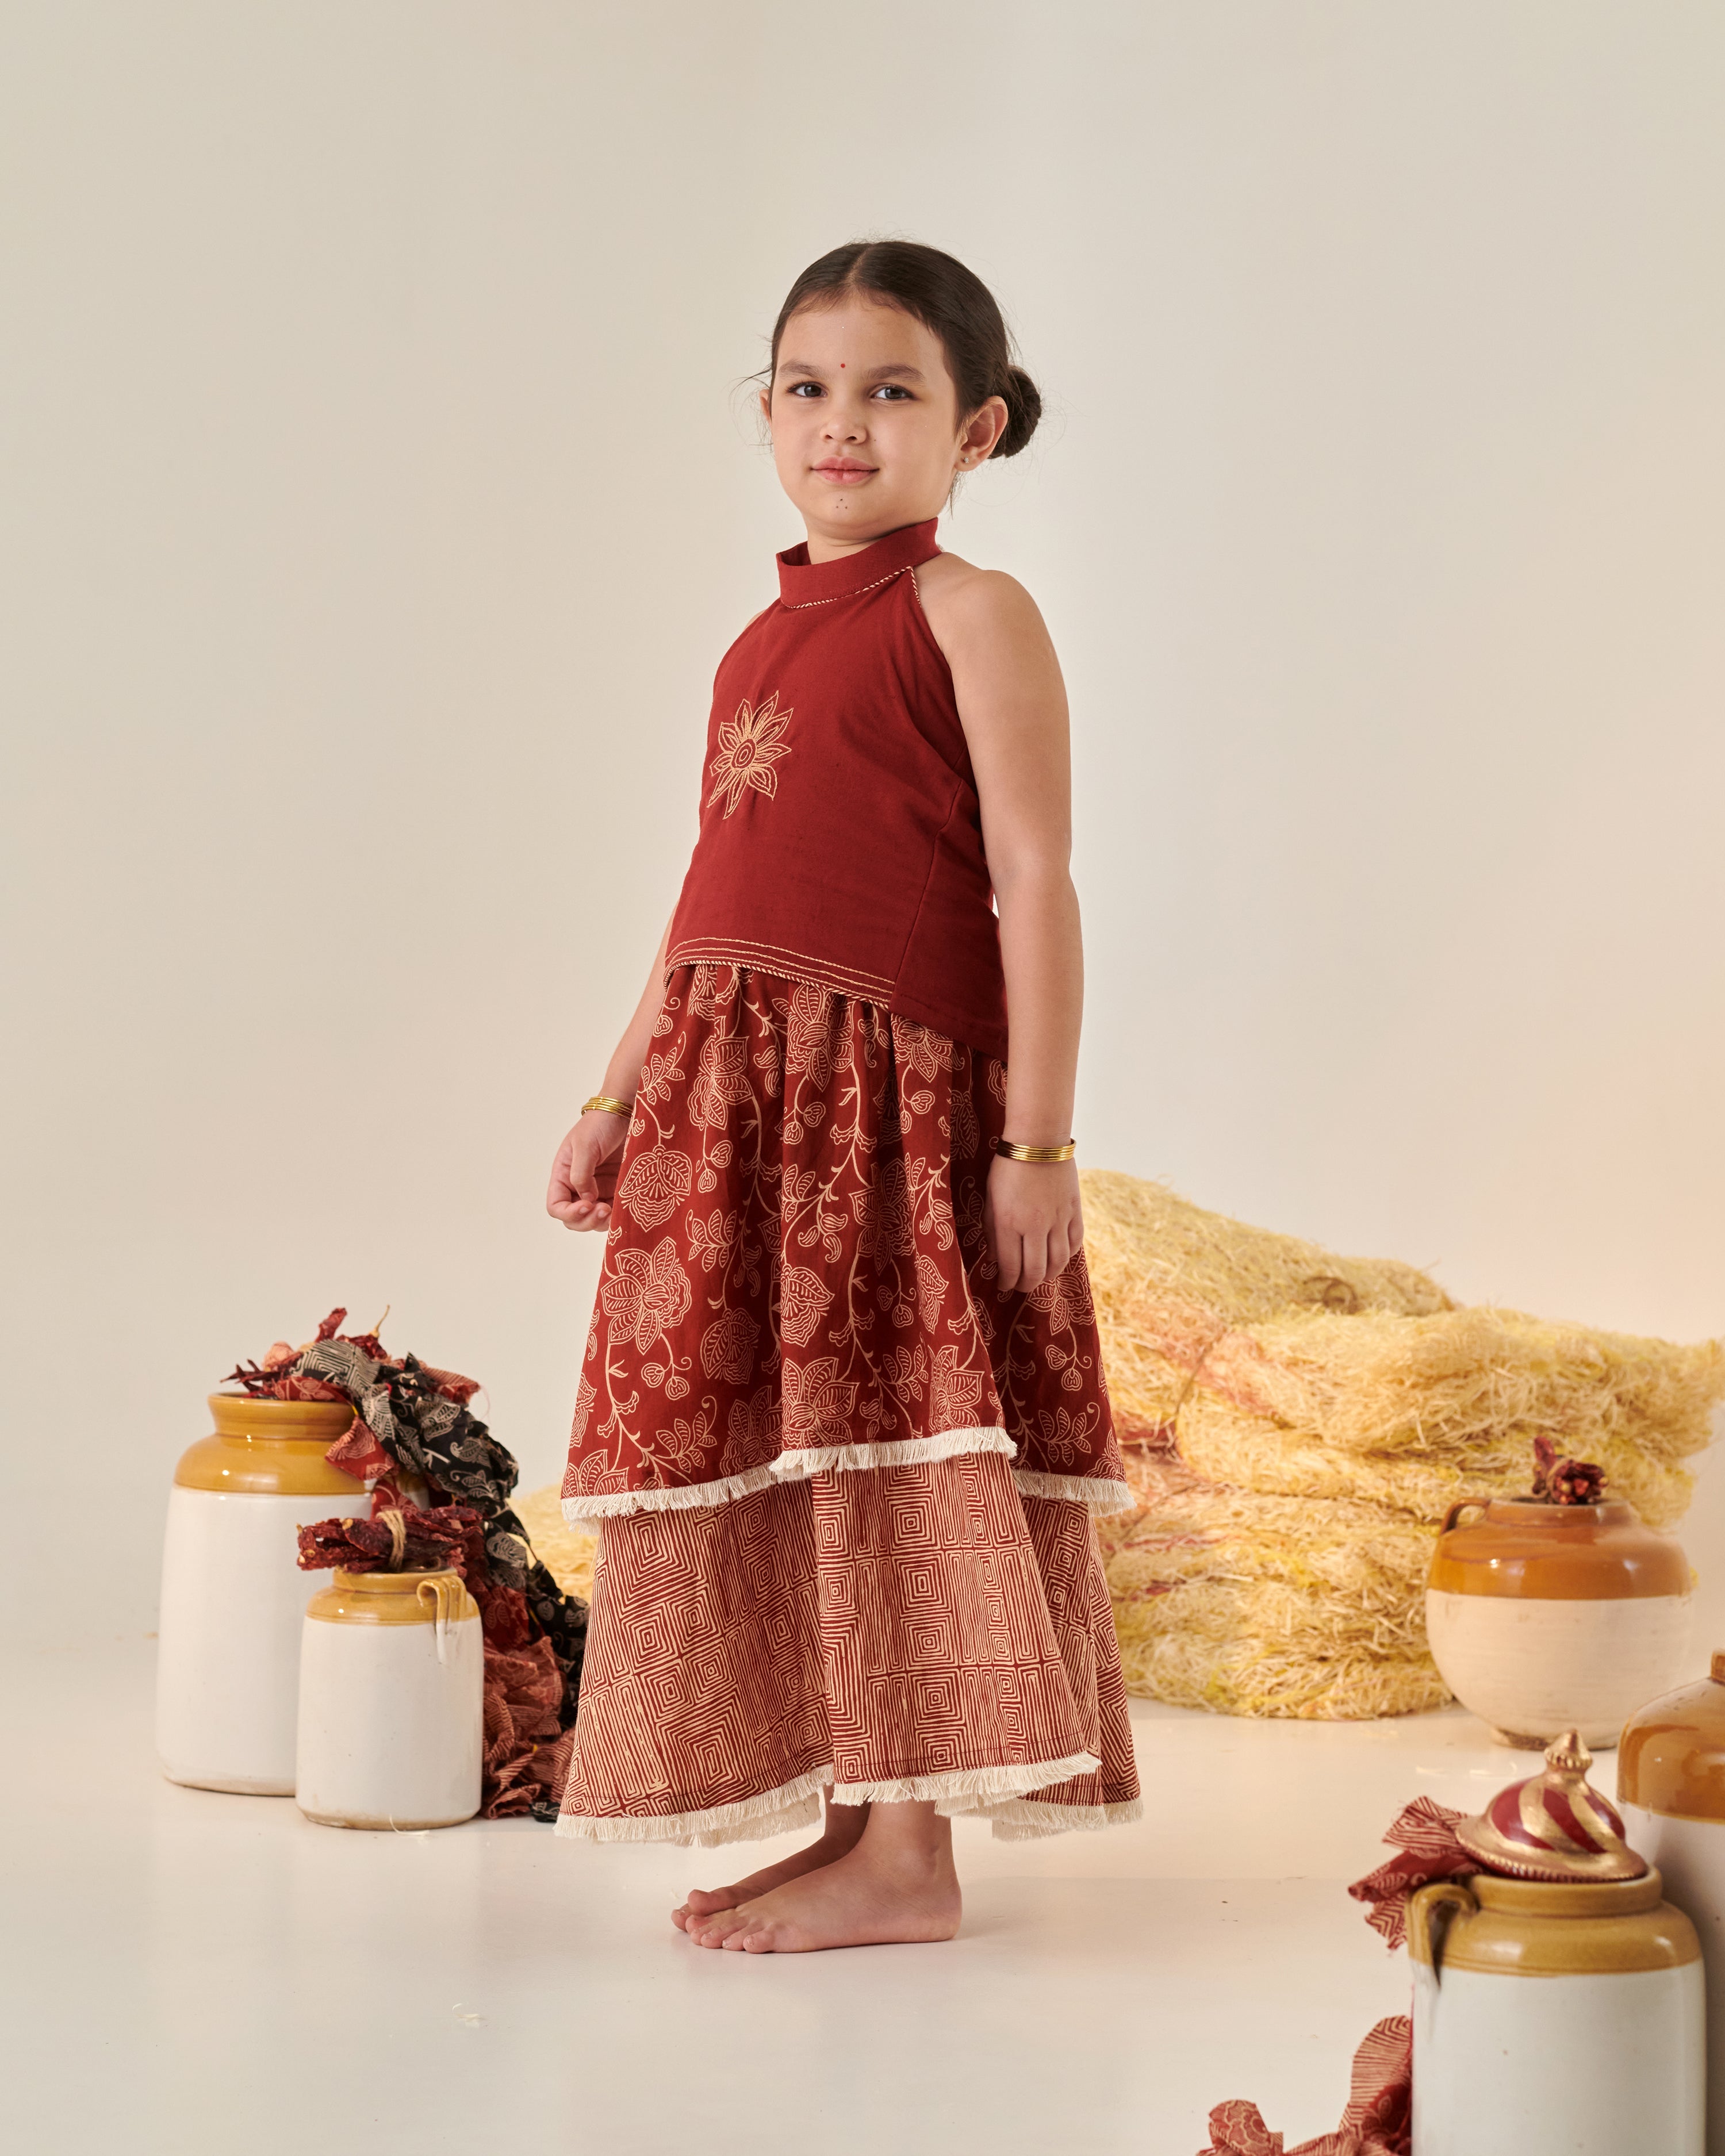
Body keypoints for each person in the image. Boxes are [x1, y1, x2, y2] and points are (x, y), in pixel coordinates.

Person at [545, 239, 1140, 1953]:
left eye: (892, 391)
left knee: (888, 1437)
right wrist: (615, 1096)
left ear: (979, 427)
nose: (843, 424)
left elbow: (1035, 883)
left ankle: (909, 1861)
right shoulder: (753, 644)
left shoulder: (969, 612)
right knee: (795, 1450)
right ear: (766, 413)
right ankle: (845, 1821)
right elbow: (706, 905)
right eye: (808, 388)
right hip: (737, 1109)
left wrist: (1039, 1143)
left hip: (884, 1117)